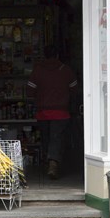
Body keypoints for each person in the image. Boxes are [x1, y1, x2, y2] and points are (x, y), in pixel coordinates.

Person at [27, 45, 77, 179]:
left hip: (43, 113)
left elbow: (30, 91)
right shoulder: (66, 71)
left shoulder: (38, 71)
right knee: (57, 138)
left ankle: (48, 162)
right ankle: (53, 164)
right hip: (61, 113)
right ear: (57, 56)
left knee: (46, 138)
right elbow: (74, 90)